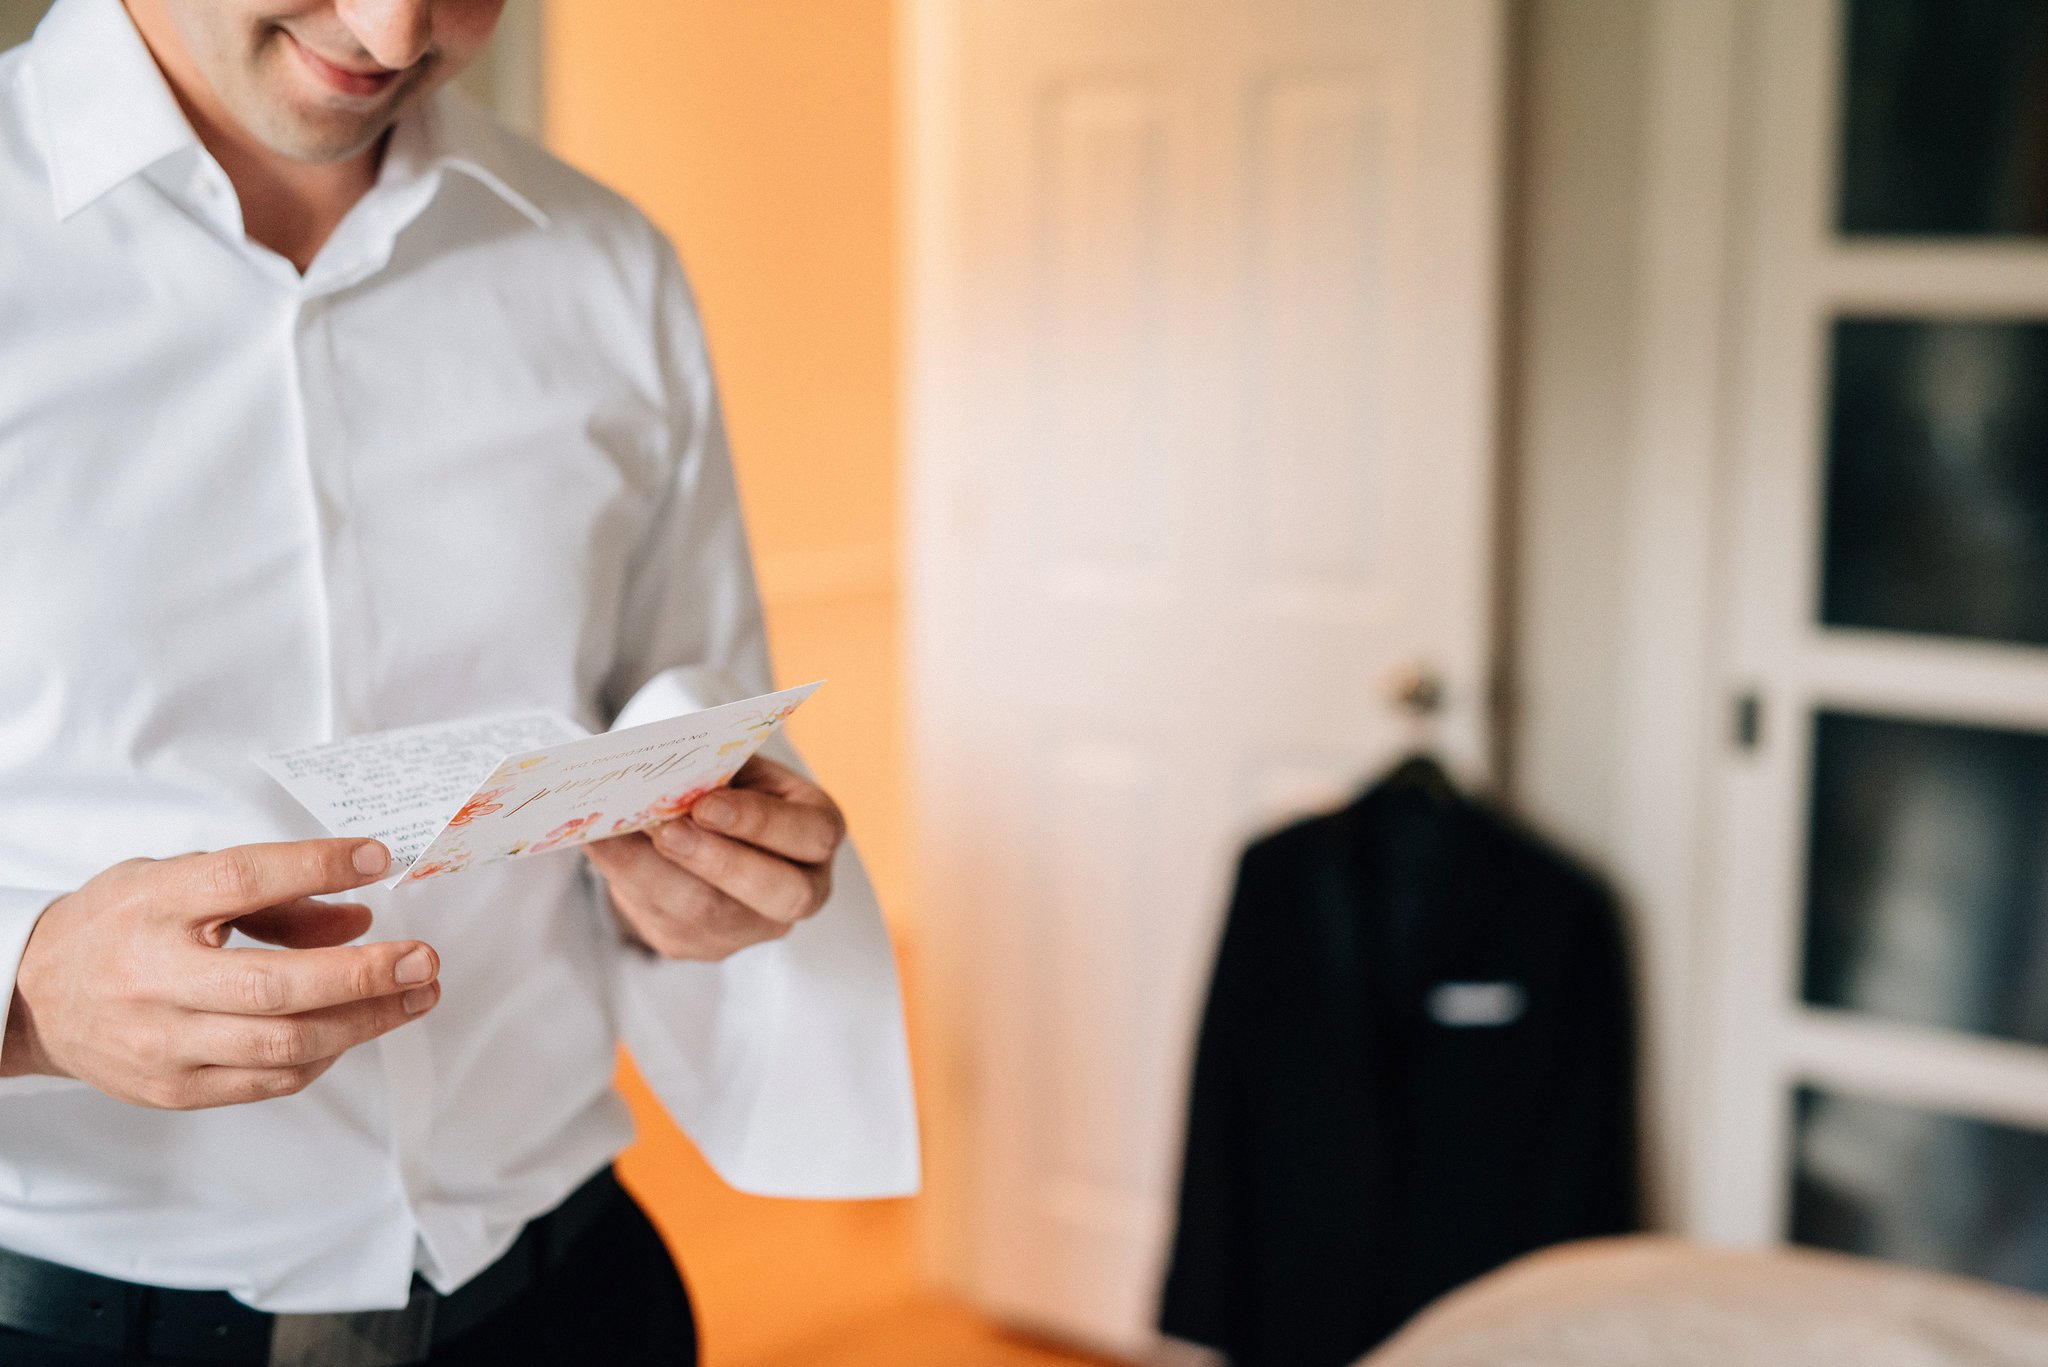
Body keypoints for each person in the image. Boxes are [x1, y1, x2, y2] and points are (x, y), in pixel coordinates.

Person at [0, 0, 920, 1362]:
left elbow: (682, 722)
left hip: (570, 1300)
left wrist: (721, 882)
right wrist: (28, 997)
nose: (391, 27)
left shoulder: (609, 265)